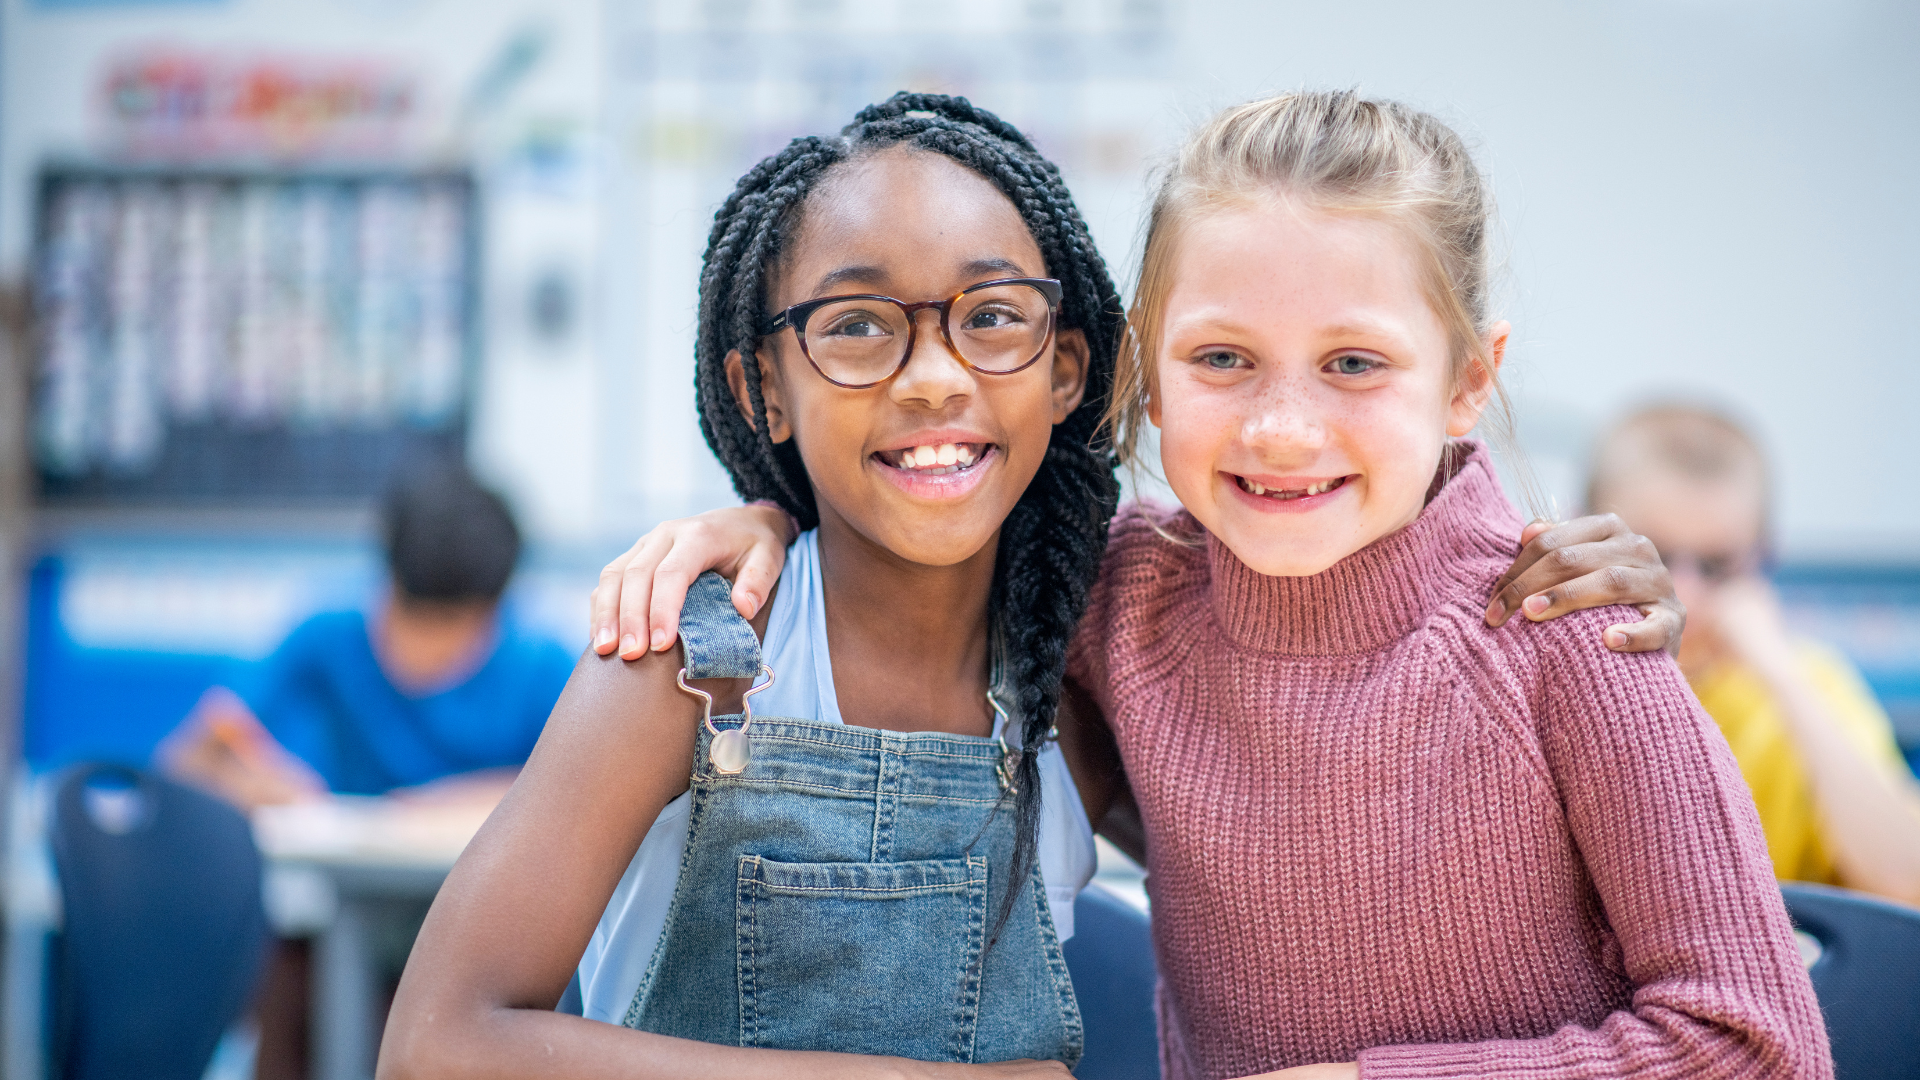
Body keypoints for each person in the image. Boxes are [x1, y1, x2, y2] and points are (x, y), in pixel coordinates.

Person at [581, 91, 1828, 1080]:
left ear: (1465, 382)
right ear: (1144, 378)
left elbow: (1760, 1048)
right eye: (1222, 358)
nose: (1284, 428)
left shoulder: (1566, 630)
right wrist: (761, 518)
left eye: (1353, 362)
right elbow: (906, 508)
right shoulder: (1120, 595)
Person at [382, 94, 1130, 1080]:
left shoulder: (1083, 689)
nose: (935, 378)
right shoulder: (687, 660)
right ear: (765, 390)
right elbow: (438, 1047)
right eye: (857, 325)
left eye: (991, 316)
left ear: (1066, 369)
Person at [1588, 404, 1920, 906]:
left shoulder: (1808, 684)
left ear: (1763, 556)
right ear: (1580, 533)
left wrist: (1780, 671)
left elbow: (1908, 881)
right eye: (1650, 556)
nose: (1685, 595)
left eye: (1718, 565)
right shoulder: (1542, 678)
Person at [160, 461, 573, 808]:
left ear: (494, 609)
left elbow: (579, 794)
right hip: (353, 888)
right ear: (386, 580)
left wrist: (430, 807)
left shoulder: (545, 664)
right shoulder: (328, 633)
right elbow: (188, 759)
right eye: (410, 617)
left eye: (450, 626)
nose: (424, 650)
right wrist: (244, 775)